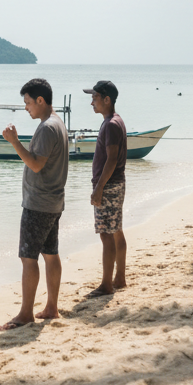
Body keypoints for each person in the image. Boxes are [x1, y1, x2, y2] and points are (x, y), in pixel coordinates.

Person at [0, 78, 69, 330]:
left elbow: (37, 164)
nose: (26, 107)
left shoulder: (47, 128)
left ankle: (26, 313)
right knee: (50, 254)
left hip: (39, 202)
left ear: (41, 101)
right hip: (53, 201)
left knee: (28, 258)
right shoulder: (57, 122)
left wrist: (14, 142)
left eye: (28, 102)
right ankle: (51, 307)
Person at [84, 80, 127, 297]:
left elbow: (110, 160)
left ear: (107, 99)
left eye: (95, 97)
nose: (92, 102)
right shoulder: (115, 121)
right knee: (116, 230)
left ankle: (107, 285)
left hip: (109, 185)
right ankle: (119, 278)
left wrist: (99, 188)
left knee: (106, 234)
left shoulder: (111, 124)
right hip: (116, 183)